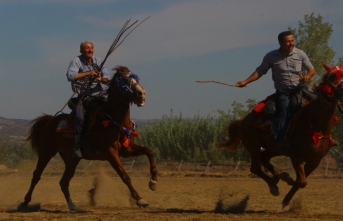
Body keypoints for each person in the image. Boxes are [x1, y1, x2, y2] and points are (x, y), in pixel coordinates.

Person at [235, 31, 315, 150]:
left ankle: (324, 136)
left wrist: (308, 76)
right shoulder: (271, 56)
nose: (291, 43)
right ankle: (280, 139)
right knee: (285, 111)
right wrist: (246, 81)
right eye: (288, 41)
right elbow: (260, 72)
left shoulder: (300, 54)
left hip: (301, 88)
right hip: (284, 92)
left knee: (319, 104)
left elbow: (311, 70)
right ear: (281, 43)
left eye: (292, 40)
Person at [66, 41, 110, 157]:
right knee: (80, 117)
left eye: (91, 48)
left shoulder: (98, 61)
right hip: (82, 96)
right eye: (87, 48)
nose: (90, 50)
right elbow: (70, 76)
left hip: (98, 95)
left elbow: (107, 78)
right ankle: (77, 146)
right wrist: (89, 73)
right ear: (81, 51)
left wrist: (100, 78)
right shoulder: (76, 62)